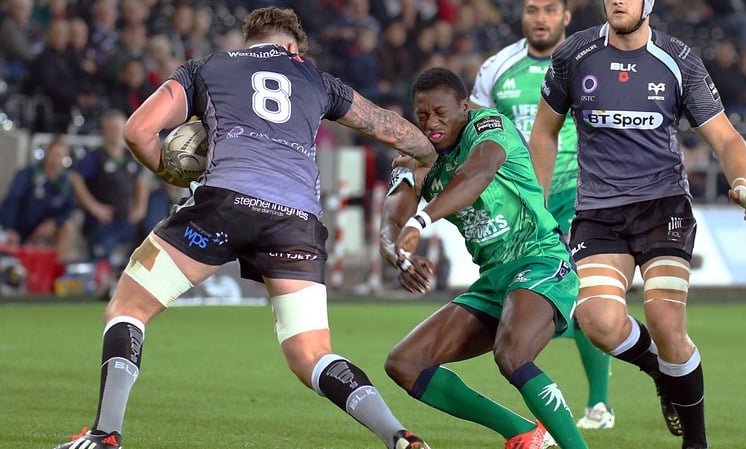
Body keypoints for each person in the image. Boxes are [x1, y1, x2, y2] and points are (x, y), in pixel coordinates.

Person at [52, 7, 437, 449]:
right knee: (311, 354)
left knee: (129, 307)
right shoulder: (316, 78)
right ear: (293, 47)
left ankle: (105, 436)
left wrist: (169, 169)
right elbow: (393, 131)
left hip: (224, 205)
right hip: (296, 222)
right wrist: (428, 157)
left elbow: (138, 130)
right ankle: (399, 435)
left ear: (248, 39)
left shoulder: (206, 68)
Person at [528, 1, 746, 448]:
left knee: (663, 318)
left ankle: (695, 441)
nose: (617, 0)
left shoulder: (677, 59)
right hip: (598, 211)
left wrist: (740, 183)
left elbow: (727, 137)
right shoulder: (575, 55)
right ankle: (664, 373)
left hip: (663, 208)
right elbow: (544, 131)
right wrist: (539, 205)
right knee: (596, 320)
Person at [380, 66, 588, 449]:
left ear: (464, 106)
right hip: (495, 278)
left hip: (540, 259)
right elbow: (393, 215)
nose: (432, 123)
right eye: (422, 115)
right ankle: (523, 433)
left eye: (441, 113)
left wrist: (421, 221)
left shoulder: (489, 126)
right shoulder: (420, 155)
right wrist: (399, 254)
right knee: (405, 363)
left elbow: (477, 174)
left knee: (512, 353)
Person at [469, 0, 616, 430]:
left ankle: (600, 405)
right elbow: (476, 128)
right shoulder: (498, 68)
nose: (541, 17)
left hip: (580, 197)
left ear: (566, 16)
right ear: (523, 15)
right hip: (520, 208)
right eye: (533, 9)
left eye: (551, 9)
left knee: (585, 296)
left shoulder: (589, 63)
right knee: (528, 302)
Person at [69, 109, 149, 275]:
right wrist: (94, 207)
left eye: (118, 128)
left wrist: (140, 208)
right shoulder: (96, 157)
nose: (114, 133)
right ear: (104, 131)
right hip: (103, 223)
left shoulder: (129, 158)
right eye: (110, 128)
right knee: (101, 260)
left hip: (127, 220)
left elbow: (141, 180)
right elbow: (75, 177)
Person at [0, 139, 77, 263]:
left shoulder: (65, 182)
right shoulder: (28, 173)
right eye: (55, 154)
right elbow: (13, 200)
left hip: (44, 230)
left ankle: (55, 269)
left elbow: (69, 208)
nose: (56, 158)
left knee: (68, 227)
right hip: (21, 227)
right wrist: (10, 228)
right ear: (47, 153)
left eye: (61, 155)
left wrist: (54, 222)